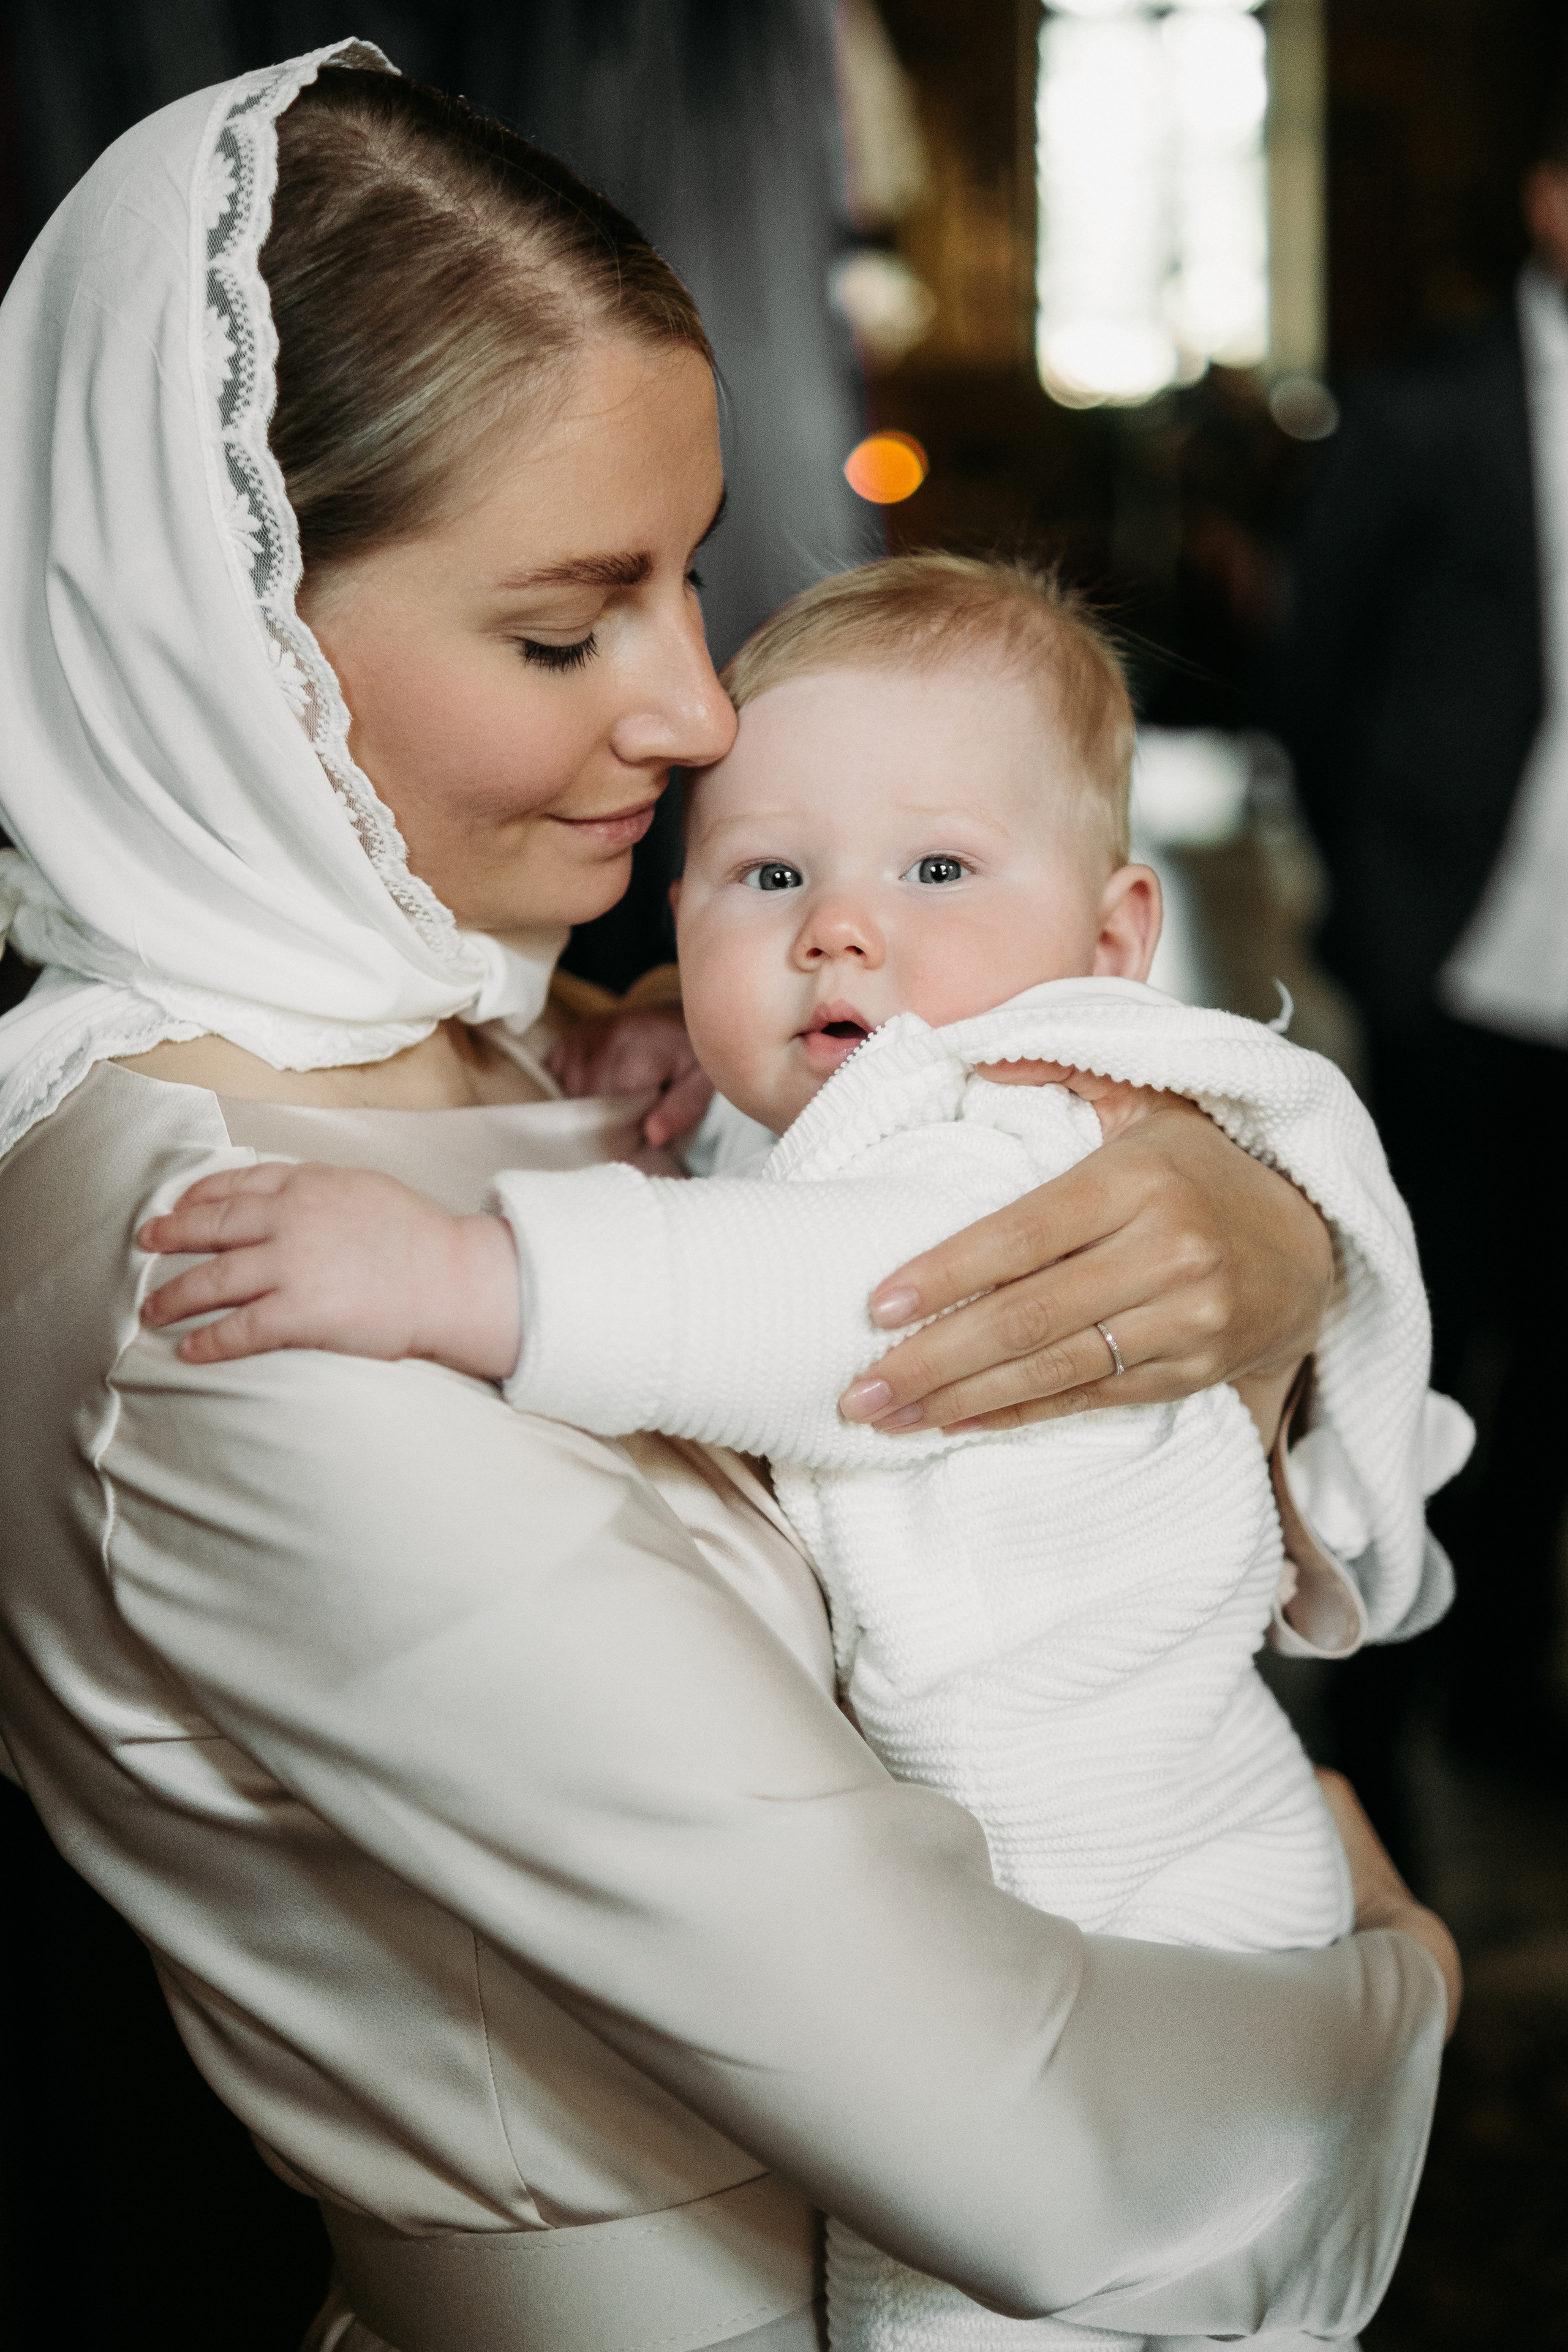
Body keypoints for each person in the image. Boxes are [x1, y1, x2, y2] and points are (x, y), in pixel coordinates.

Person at [0, 43, 1452, 2352]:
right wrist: (1402, 1978)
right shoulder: (221, 1283)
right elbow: (1047, 2155)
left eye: (687, 577)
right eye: (565, 629)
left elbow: (918, 1213)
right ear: (221, 640)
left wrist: (1245, 1216)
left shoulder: (509, 1028)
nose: (695, 712)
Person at [145, 553, 1471, 2348]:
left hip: (1148, 1863)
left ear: (1112, 945)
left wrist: (472, 1276)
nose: (841, 928)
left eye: (938, 871)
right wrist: (674, 1061)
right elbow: (768, 1194)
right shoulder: (832, 1112)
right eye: (770, 877)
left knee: (993, 2289)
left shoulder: (1028, 1124)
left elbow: (837, 1301)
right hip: (1051, 1862)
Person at [1278, 111, 1568, 1803]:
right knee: (1423, 1333)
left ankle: (1503, 1679)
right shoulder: (1424, 407)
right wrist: (1383, 914)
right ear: (1547, 195)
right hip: (1460, 951)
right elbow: (1316, 671)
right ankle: (1374, 1705)